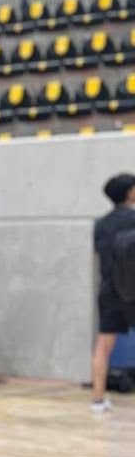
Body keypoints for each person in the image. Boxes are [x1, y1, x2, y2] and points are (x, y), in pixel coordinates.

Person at [91, 172, 135, 412]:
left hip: (108, 290)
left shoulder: (100, 224)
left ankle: (98, 399)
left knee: (103, 344)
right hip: (133, 291)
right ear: (129, 192)